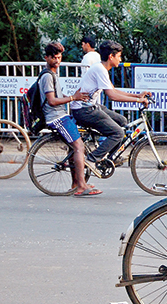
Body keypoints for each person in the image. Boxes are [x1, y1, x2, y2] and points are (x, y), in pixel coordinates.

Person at [70, 40, 151, 175]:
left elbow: (114, 90)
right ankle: (92, 159)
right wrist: (138, 100)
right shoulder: (99, 69)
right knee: (118, 132)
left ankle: (111, 158)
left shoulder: (101, 68)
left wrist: (137, 95)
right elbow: (112, 95)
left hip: (91, 106)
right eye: (119, 56)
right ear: (111, 57)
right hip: (84, 110)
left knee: (123, 121)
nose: (121, 59)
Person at [39, 42, 98, 196]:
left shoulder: (53, 73)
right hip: (56, 117)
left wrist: (76, 98)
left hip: (61, 114)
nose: (57, 61)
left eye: (59, 57)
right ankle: (82, 186)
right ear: (46, 58)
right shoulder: (47, 76)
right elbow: (52, 101)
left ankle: (75, 183)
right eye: (54, 58)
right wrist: (73, 97)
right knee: (79, 147)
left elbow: (58, 96)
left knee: (75, 147)